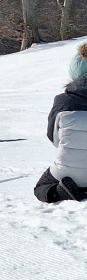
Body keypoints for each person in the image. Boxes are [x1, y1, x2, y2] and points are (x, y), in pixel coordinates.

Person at [34, 42, 87, 203]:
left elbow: (54, 138)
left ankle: (61, 192)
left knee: (41, 188)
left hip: (69, 173)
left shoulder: (63, 101)